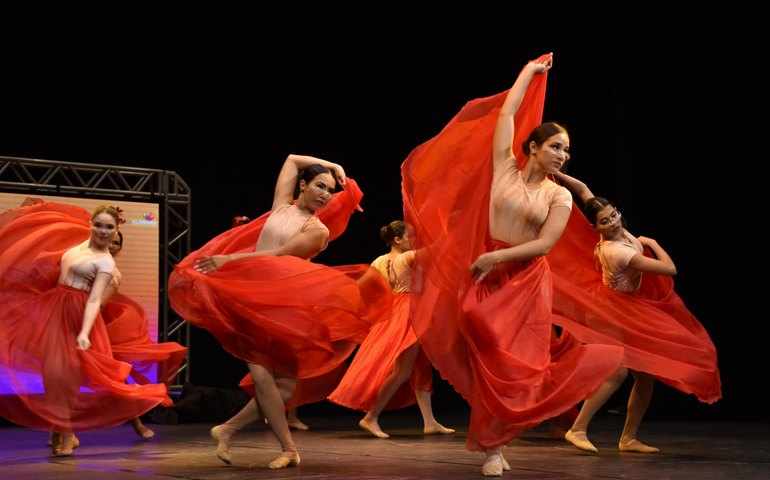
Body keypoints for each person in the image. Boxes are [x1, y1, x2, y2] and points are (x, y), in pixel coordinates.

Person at [401, 53, 624, 476]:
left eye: (567, 150)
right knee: (482, 351)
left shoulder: (557, 196)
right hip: (485, 274)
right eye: (556, 146)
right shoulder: (503, 168)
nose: (563, 155)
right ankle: (494, 441)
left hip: (523, 280)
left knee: (515, 365)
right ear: (534, 147)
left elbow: (544, 244)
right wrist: (529, 72)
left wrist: (496, 256)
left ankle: (494, 446)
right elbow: (507, 112)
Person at [168, 154, 392, 468]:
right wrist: (336, 167)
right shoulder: (281, 207)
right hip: (251, 298)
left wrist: (228, 260)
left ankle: (228, 428)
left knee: (285, 387)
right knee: (262, 376)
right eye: (320, 186)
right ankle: (288, 448)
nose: (326, 194)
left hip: (287, 305)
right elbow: (291, 159)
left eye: (330, 190)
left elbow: (276, 255)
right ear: (303, 185)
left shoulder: (318, 230)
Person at [548, 170, 721, 453]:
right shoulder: (617, 251)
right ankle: (577, 429)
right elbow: (670, 269)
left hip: (624, 306)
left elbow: (584, 189)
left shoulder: (617, 229)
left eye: (614, 214)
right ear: (596, 228)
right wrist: (651, 243)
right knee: (617, 371)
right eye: (605, 221)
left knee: (645, 375)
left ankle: (628, 438)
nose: (613, 222)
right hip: (608, 310)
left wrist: (556, 173)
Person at [0, 203, 172, 456]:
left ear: (116, 232)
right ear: (91, 225)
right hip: (56, 306)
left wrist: (84, 331)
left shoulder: (106, 264)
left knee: (66, 374)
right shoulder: (78, 244)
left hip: (77, 313)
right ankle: (61, 430)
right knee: (52, 371)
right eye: (99, 225)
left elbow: (94, 300)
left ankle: (67, 433)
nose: (104, 231)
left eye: (109, 228)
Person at [328, 220, 455, 438]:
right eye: (410, 236)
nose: (414, 240)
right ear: (397, 239)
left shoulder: (378, 261)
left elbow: (364, 287)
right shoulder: (408, 256)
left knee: (419, 367)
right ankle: (371, 417)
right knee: (402, 371)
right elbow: (438, 249)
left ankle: (429, 421)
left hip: (392, 311)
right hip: (409, 312)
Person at [102, 229, 188, 439]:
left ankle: (137, 423)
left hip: (101, 322)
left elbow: (100, 302)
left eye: (116, 243)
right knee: (66, 376)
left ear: (120, 247)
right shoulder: (85, 258)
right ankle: (60, 431)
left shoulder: (111, 270)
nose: (112, 246)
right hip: (81, 317)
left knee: (117, 377)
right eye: (110, 242)